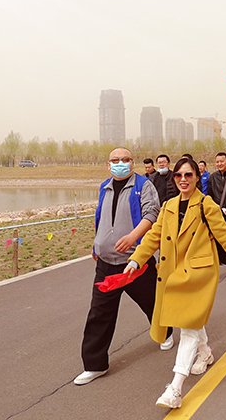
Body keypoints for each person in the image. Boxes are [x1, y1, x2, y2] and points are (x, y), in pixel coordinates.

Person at [124, 158, 226, 409]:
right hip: (172, 273)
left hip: (198, 275)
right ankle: (205, 351)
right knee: (191, 322)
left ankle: (175, 388)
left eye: (188, 174)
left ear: (198, 176)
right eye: (178, 175)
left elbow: (225, 236)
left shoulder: (206, 204)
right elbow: (153, 236)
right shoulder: (168, 206)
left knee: (187, 326)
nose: (183, 179)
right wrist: (135, 261)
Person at [74, 147, 172, 386]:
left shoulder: (143, 185)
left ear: (132, 163)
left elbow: (152, 213)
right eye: (115, 160)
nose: (120, 163)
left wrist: (133, 236)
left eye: (125, 160)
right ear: (108, 165)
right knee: (99, 313)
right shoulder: (104, 187)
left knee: (151, 301)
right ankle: (95, 365)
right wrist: (97, 244)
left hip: (135, 261)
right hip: (106, 264)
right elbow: (101, 216)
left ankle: (165, 332)